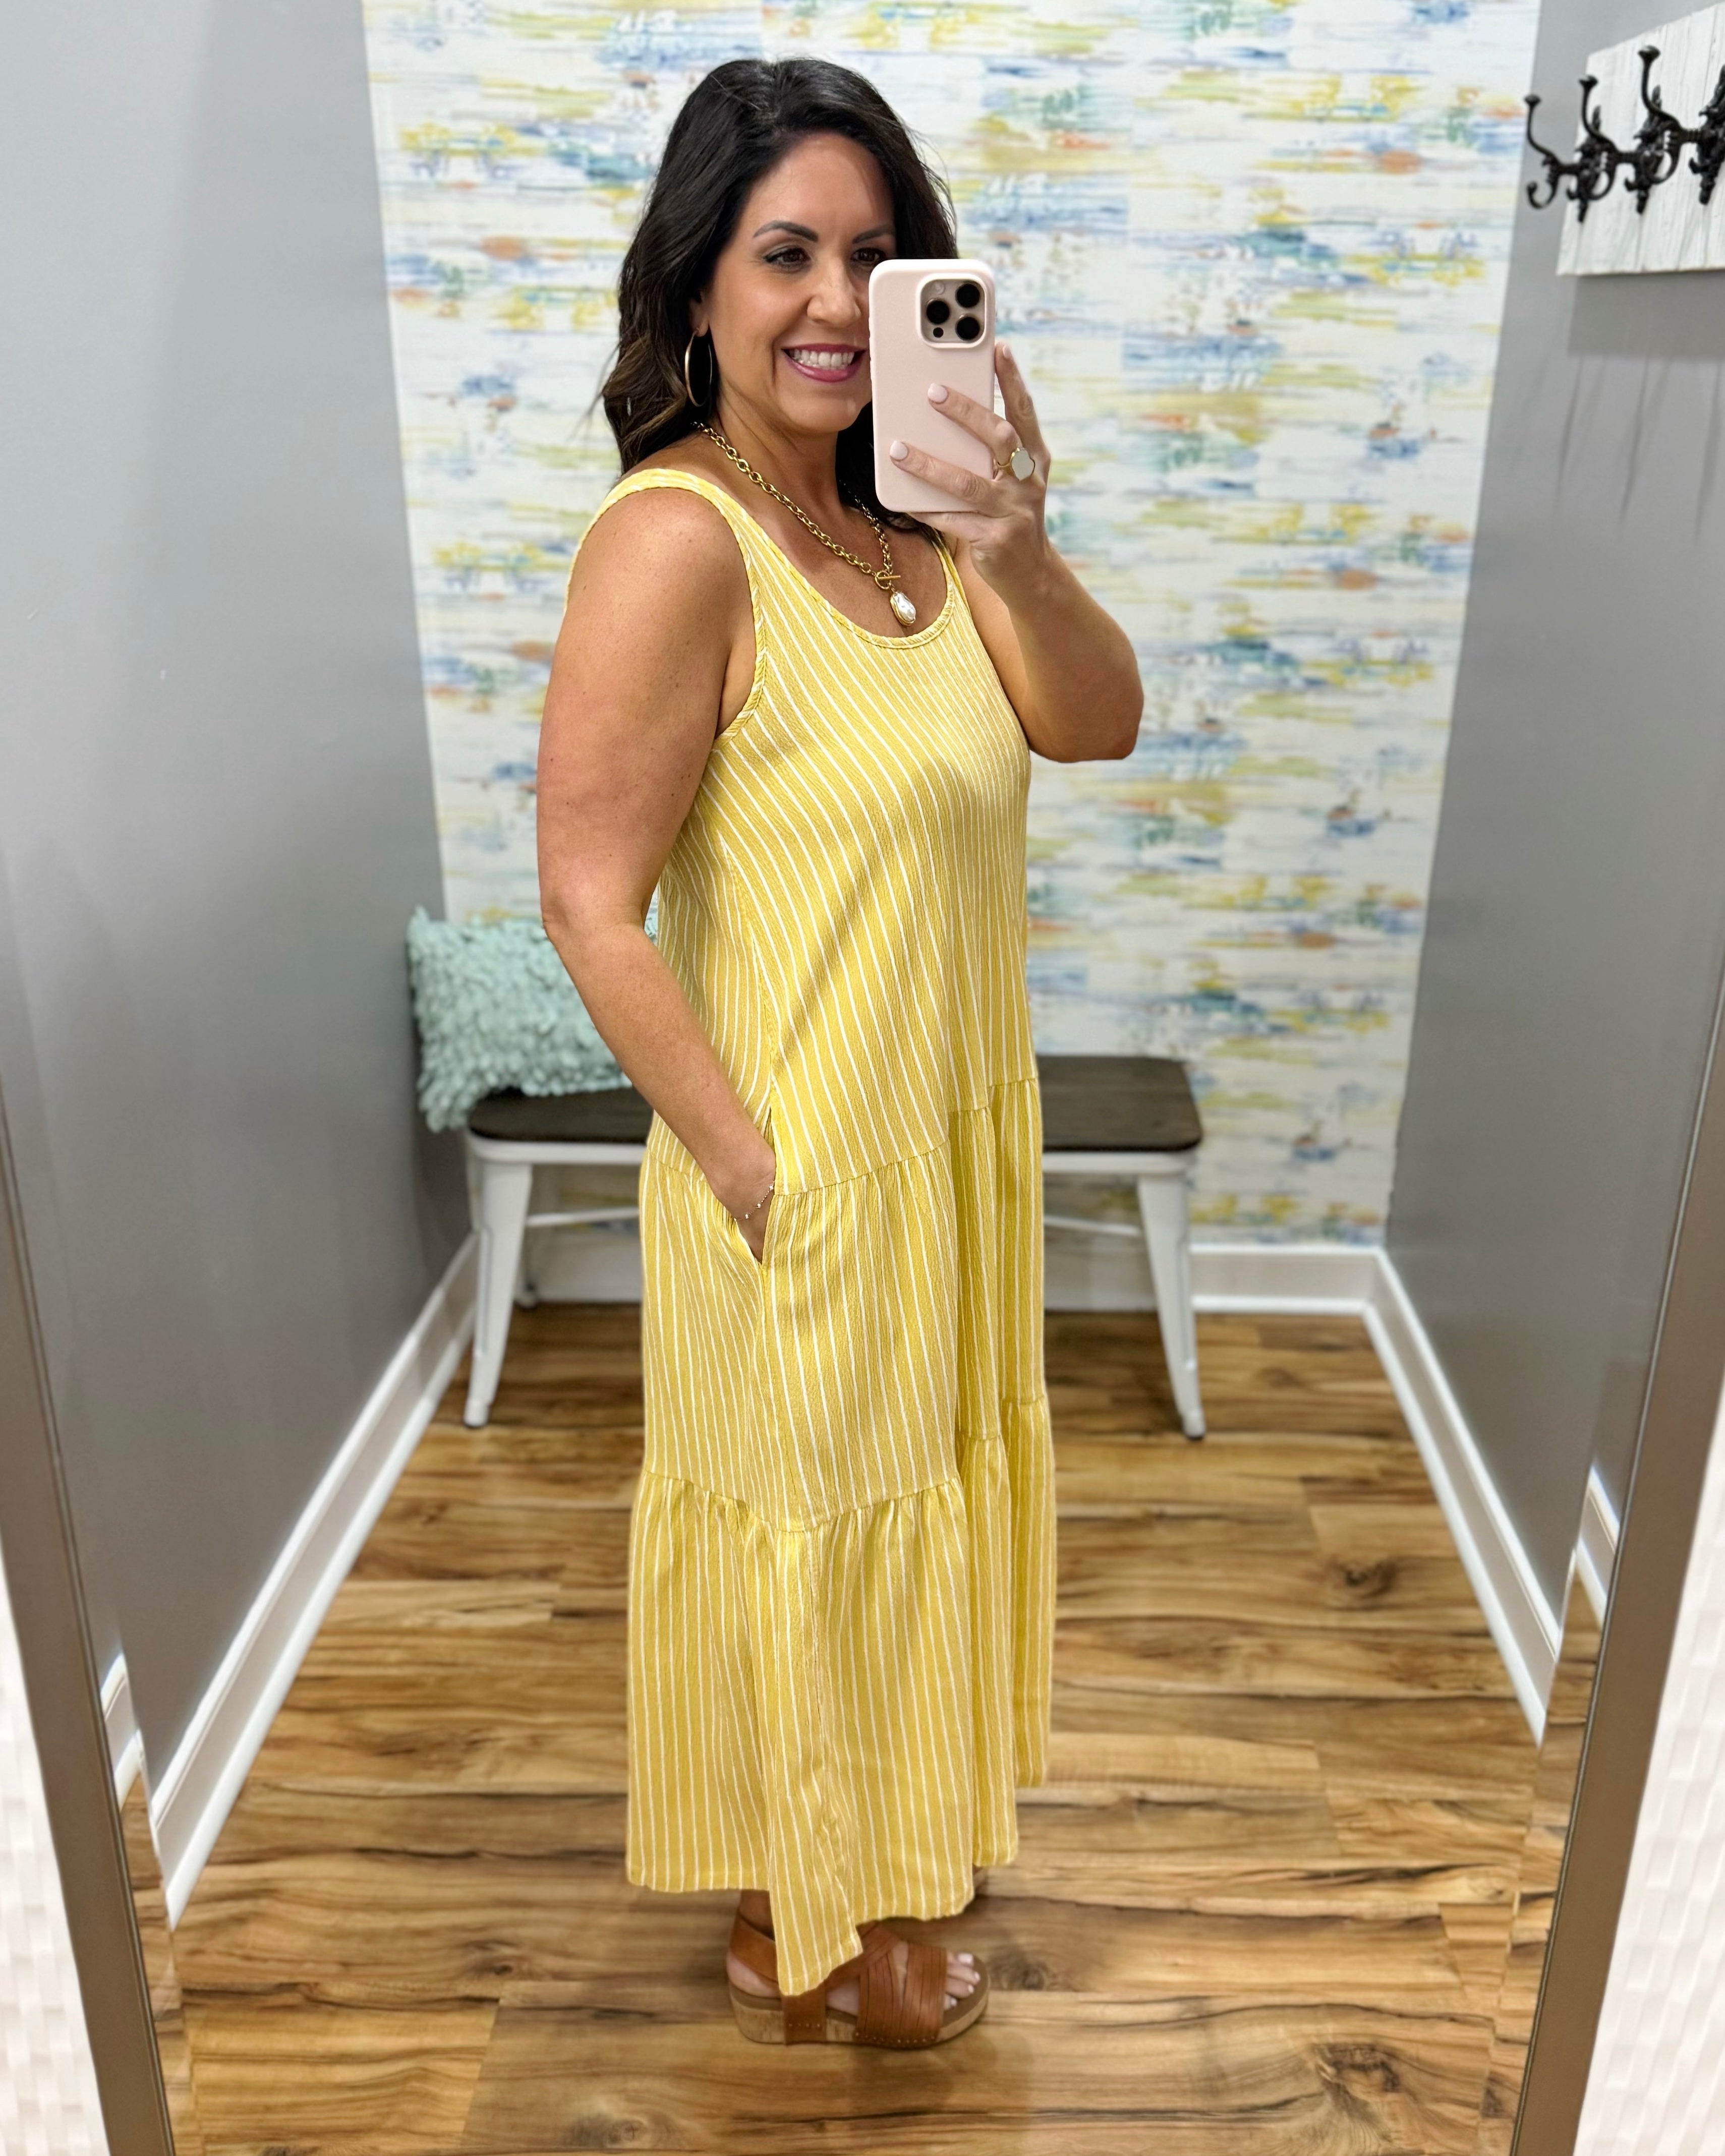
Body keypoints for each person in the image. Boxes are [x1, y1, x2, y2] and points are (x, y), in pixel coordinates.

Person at [537, 54, 1140, 2050]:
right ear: (699, 280)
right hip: (802, 1164)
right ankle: (821, 1933)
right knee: (824, 1535)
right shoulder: (676, 544)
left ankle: (832, 1876)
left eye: (876, 262)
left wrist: (1018, 531)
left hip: (949, 1146)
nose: (827, 302)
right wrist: (742, 1160)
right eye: (783, 251)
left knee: (900, 1509)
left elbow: (1094, 721)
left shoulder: (921, 529)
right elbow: (585, 897)